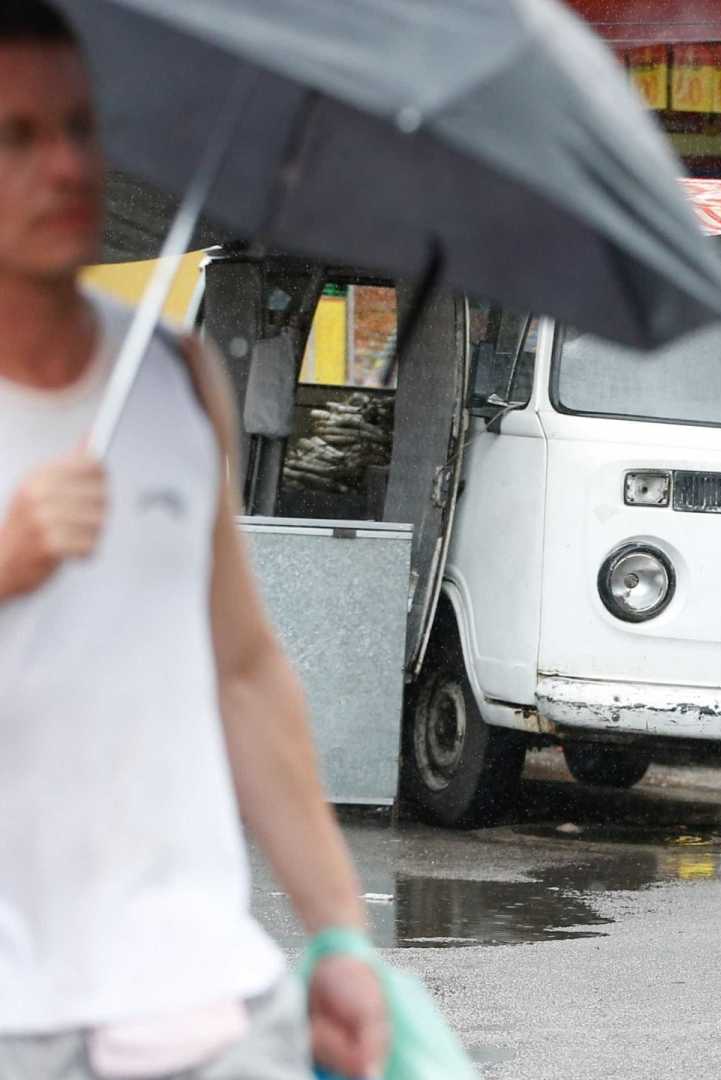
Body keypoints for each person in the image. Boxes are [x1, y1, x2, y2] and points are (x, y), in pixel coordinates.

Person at [0, 5, 389, 1078]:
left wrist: (342, 938)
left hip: (200, 1004)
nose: (65, 165)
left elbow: (246, 671)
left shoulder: (175, 380)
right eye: (17, 138)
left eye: (81, 127)